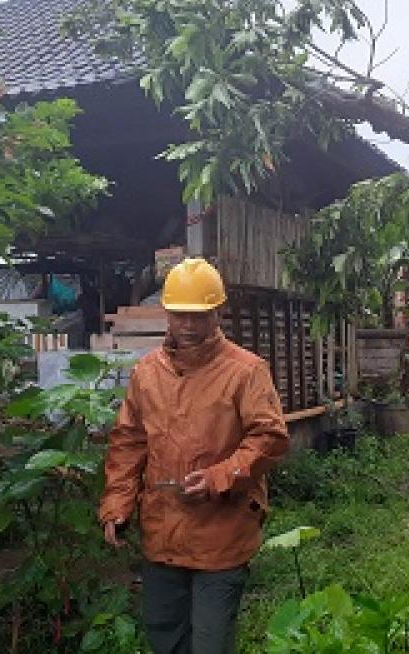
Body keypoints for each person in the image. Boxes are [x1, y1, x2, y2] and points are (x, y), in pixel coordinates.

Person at [99, 257, 289, 654]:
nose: (188, 325)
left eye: (199, 316)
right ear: (167, 313)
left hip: (222, 531)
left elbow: (269, 438)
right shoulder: (147, 372)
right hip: (162, 528)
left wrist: (221, 475)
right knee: (164, 633)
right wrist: (117, 502)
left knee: (210, 642)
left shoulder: (245, 371)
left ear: (218, 312)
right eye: (180, 315)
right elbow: (128, 441)